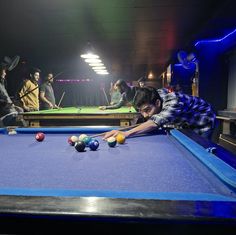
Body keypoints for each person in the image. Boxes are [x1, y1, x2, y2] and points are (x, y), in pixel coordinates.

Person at [103, 87, 216, 140]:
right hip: (185, 122)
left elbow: (154, 122)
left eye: (147, 110)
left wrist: (126, 133)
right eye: (141, 111)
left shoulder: (174, 100)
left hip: (203, 121)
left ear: (157, 103)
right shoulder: (156, 96)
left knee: (199, 145)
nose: (145, 115)